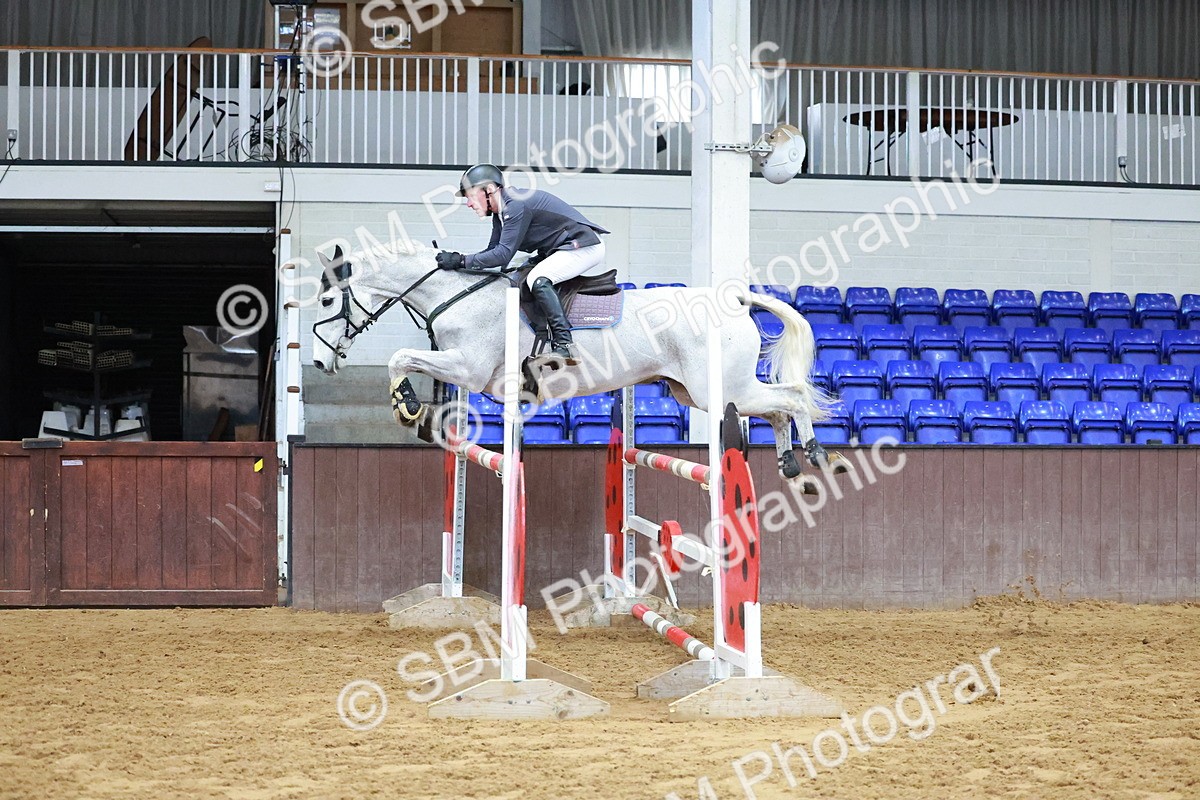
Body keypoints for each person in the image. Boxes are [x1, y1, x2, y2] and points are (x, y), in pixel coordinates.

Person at [435, 164, 609, 366]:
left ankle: (565, 345)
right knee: (516, 273)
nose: (468, 204)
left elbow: (501, 256)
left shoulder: (515, 206)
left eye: (471, 196)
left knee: (538, 279)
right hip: (561, 248)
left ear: (489, 189)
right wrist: (460, 264)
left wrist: (460, 260)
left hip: (584, 246)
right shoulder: (501, 212)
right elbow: (493, 254)